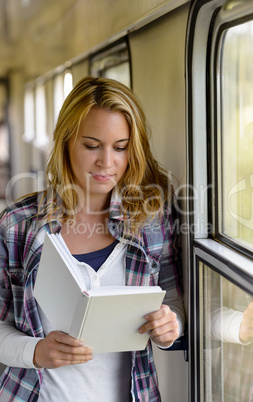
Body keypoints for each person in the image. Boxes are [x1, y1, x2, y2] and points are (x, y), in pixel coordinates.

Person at [0, 76, 185, 401]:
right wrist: (36, 351)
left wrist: (173, 327)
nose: (106, 162)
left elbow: (175, 306)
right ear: (66, 142)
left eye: (120, 148)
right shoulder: (17, 225)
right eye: (91, 145)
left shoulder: (153, 221)